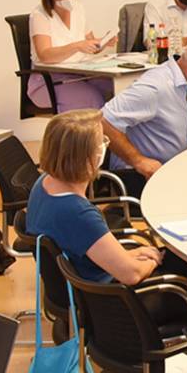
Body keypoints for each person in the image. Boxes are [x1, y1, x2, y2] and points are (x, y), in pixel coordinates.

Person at [27, 110, 165, 285]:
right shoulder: (78, 214)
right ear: (88, 157)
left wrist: (129, 255)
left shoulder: (43, 184)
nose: (105, 147)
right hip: (107, 298)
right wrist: (154, 260)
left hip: (80, 285)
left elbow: (86, 246)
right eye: (102, 142)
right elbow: (132, 274)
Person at [99, 32, 187, 197]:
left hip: (170, 171)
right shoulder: (155, 87)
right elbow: (103, 120)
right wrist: (138, 161)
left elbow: (175, 133)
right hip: (140, 177)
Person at [27, 0, 116, 111]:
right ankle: (95, 134)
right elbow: (45, 55)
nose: (69, 0)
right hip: (49, 81)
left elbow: (90, 46)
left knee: (118, 88)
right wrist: (76, 46)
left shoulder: (78, 8)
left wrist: (103, 42)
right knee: (92, 98)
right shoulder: (39, 15)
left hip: (82, 74)